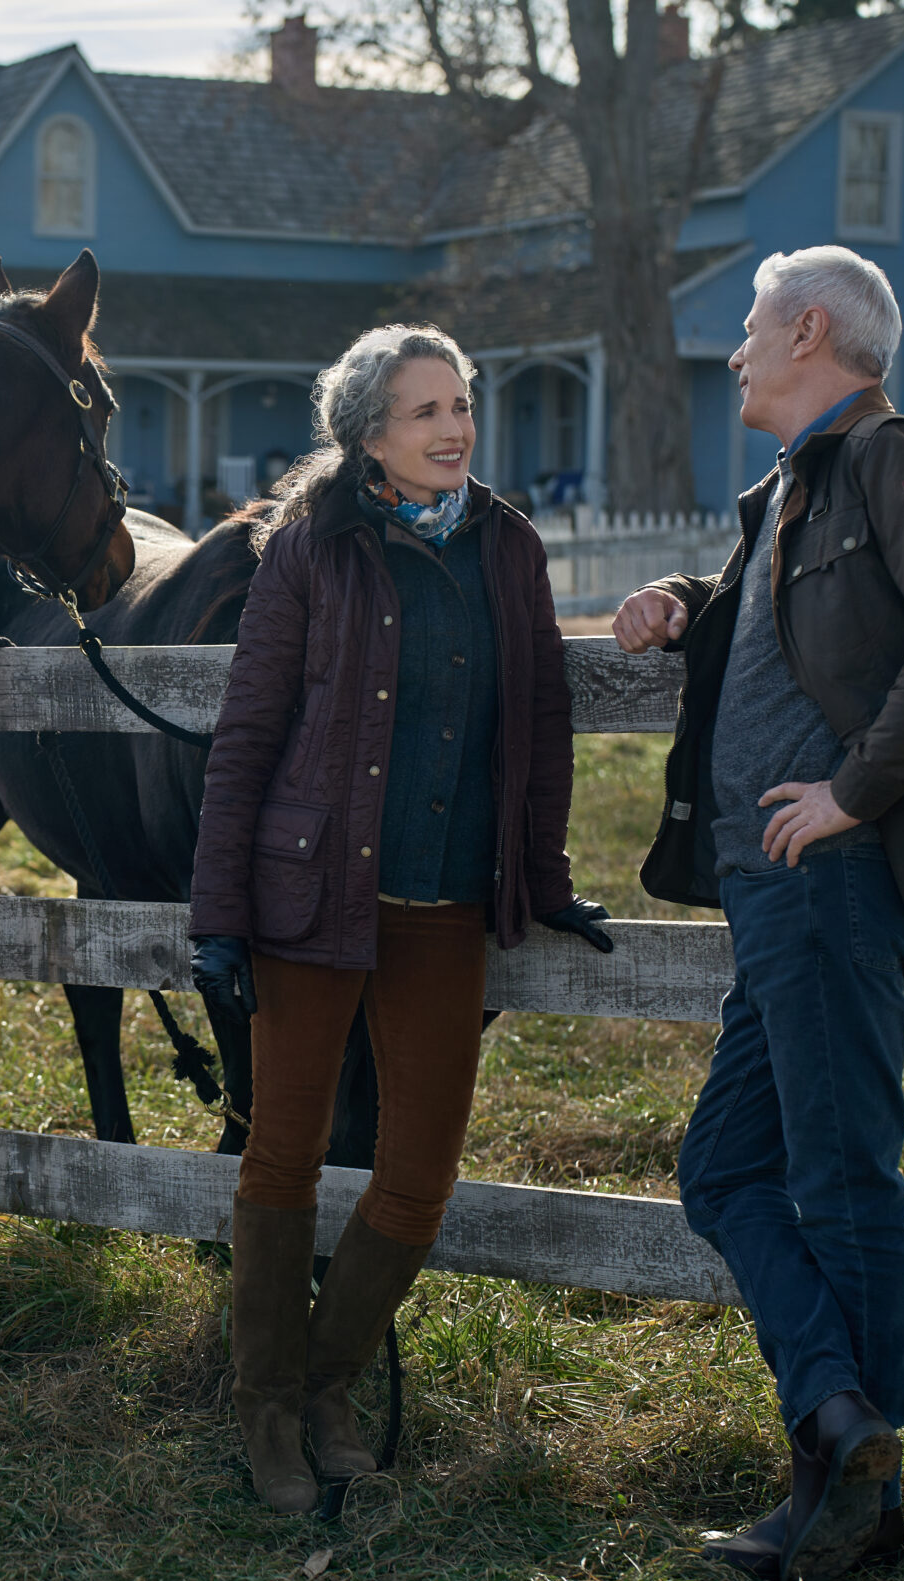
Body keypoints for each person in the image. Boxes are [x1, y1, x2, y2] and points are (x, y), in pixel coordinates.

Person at [612, 247, 904, 1581]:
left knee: (844, 1181)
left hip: (837, 885)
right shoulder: (791, 490)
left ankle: (855, 1522)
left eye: (746, 328)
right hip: (772, 895)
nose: (732, 352)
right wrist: (689, 601)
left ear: (808, 329)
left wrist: (853, 790)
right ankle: (841, 1430)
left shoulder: (895, 456)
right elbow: (793, 617)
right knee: (724, 1169)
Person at [188, 324, 615, 1517]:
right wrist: (221, 909)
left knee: (417, 1175)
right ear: (368, 430)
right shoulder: (309, 546)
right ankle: (265, 1410)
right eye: (425, 410)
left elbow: (536, 728)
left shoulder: (507, 546)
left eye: (462, 404)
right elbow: (249, 729)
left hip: (444, 907)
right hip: (310, 897)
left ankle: (324, 1385)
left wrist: (540, 875)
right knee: (284, 1153)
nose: (454, 429)